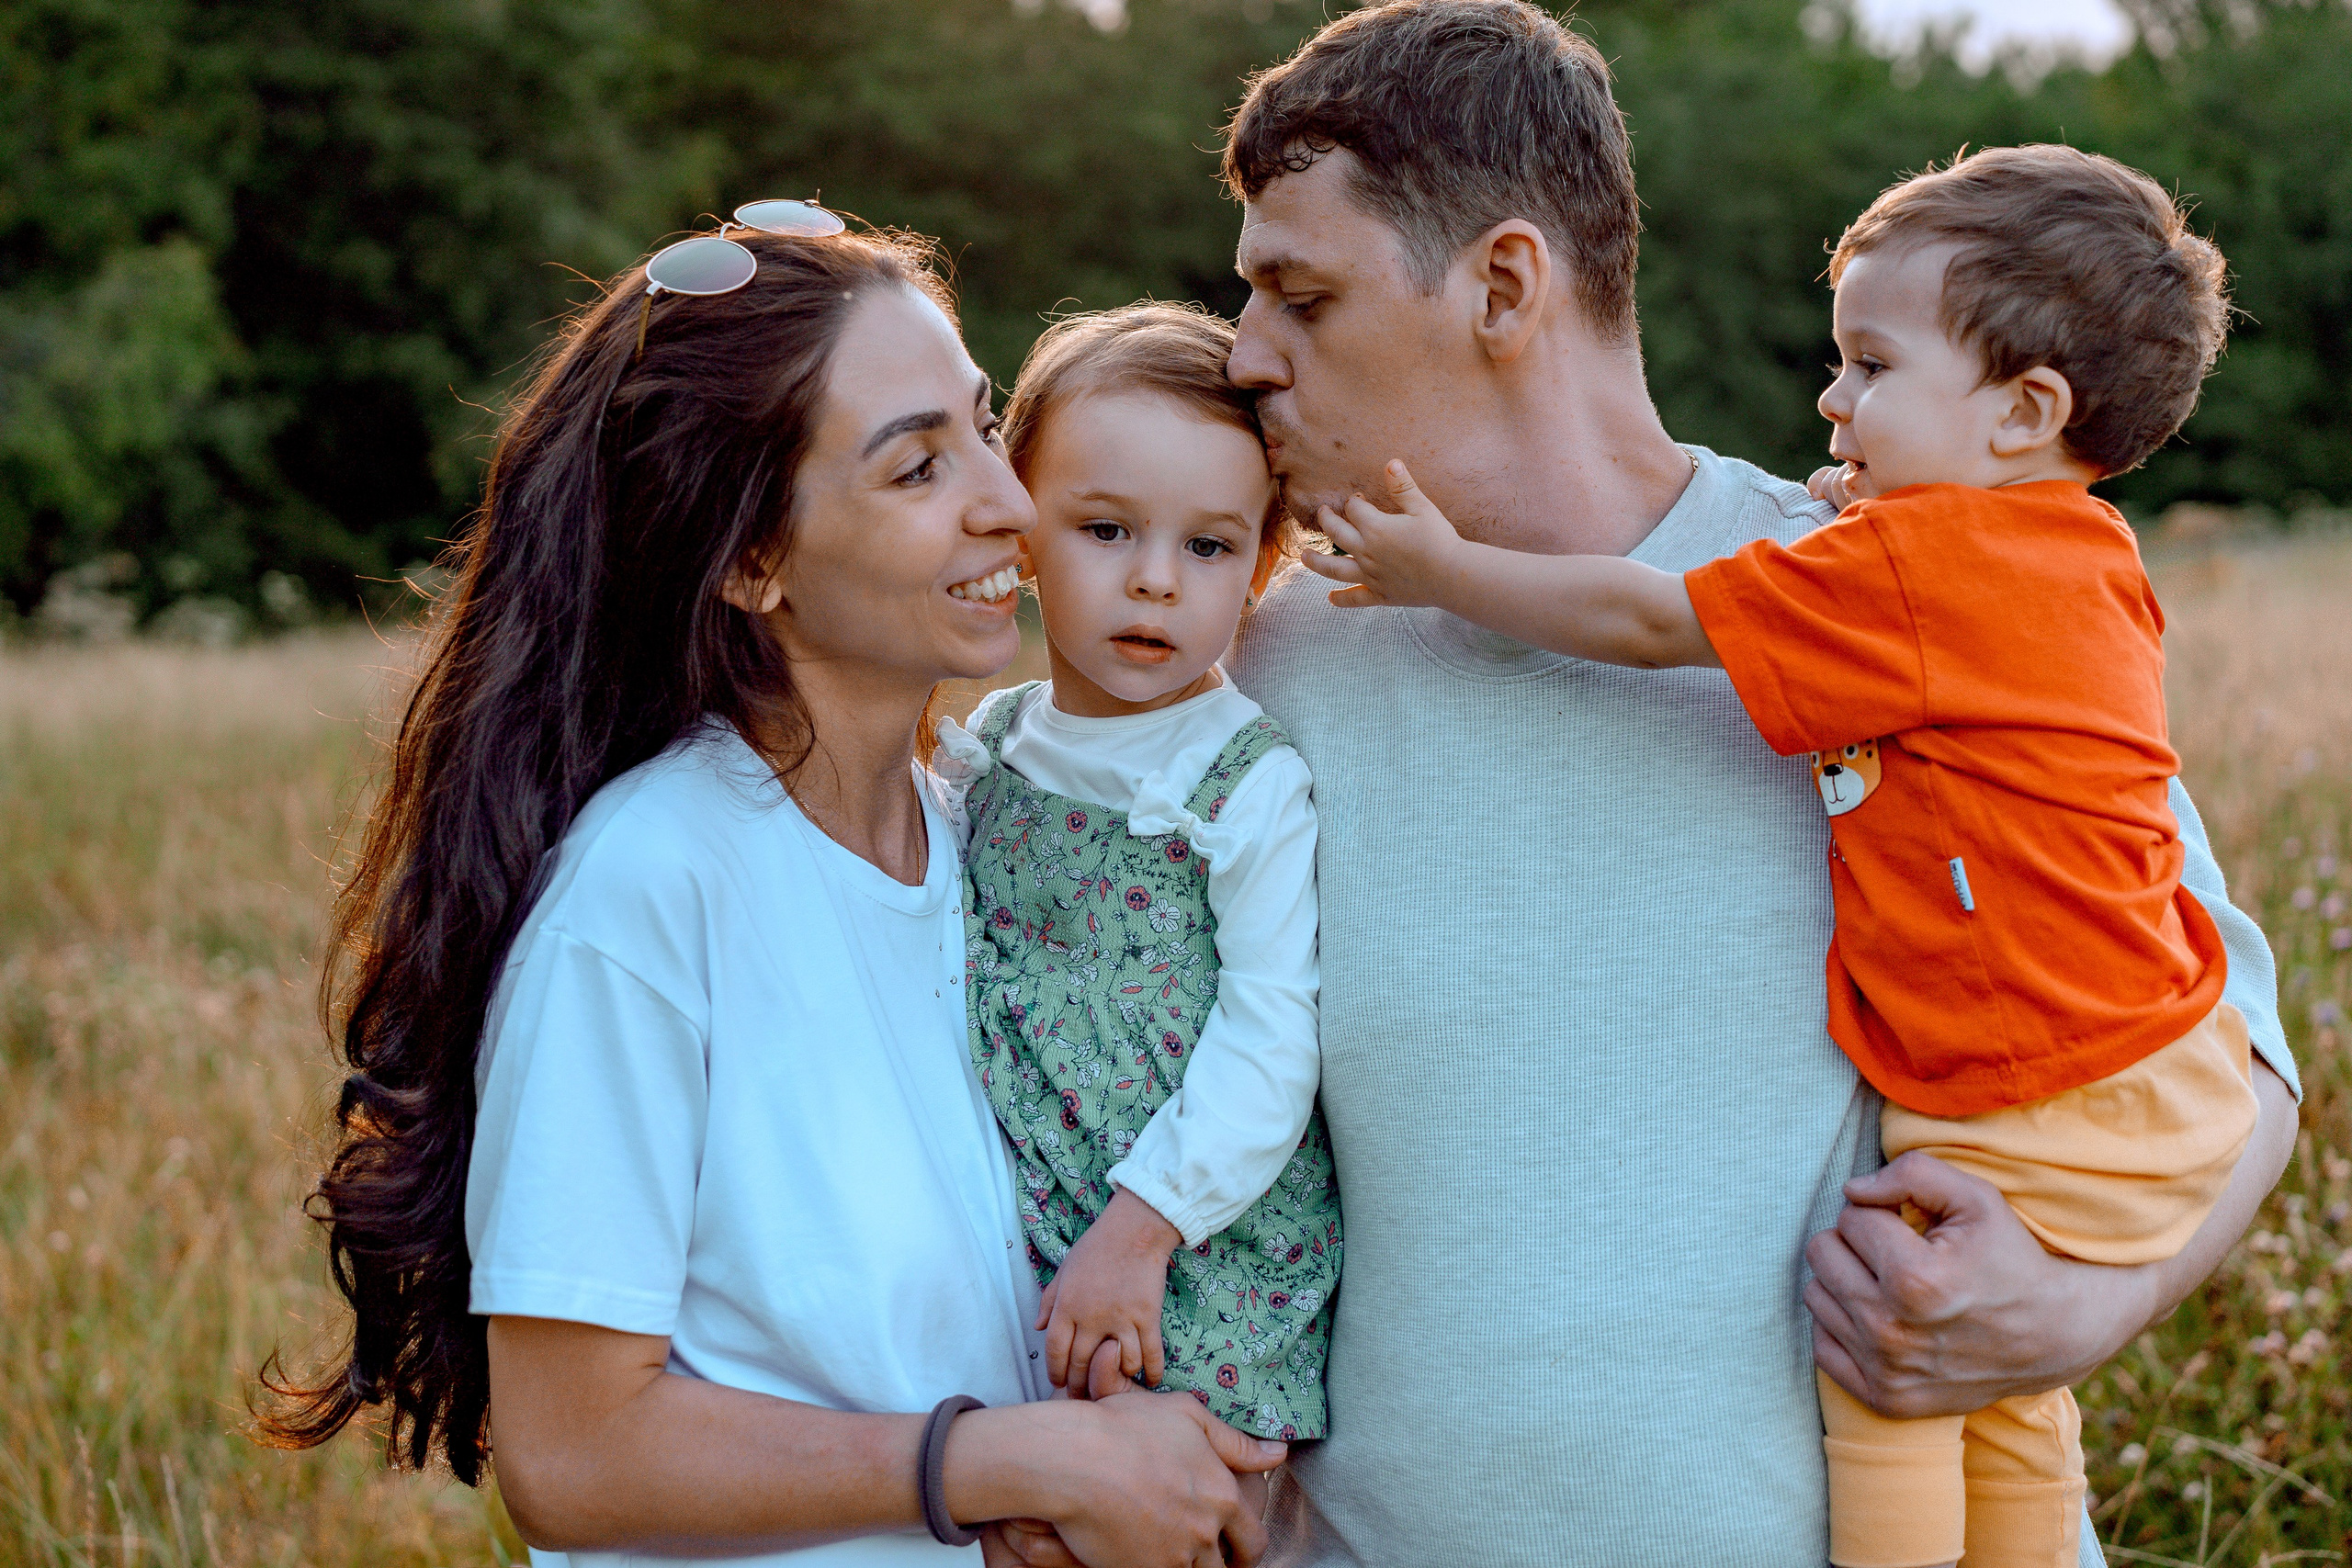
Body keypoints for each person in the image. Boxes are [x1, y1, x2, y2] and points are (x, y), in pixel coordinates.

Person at [1209, 5, 2298, 1565]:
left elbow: (2235, 1041)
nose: (1246, 354)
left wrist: (2085, 1301)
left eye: (1300, 295)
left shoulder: (1913, 592)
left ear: (1506, 285)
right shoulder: (1254, 679)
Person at [258, 218, 1283, 1568]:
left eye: (985, 425)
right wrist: (986, 1461)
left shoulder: (983, 823)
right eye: (920, 464)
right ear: (752, 561)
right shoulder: (649, 891)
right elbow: (570, 1455)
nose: (1011, 503)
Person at [944, 304, 1341, 1443]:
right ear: (1020, 528)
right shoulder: (996, 744)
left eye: (1208, 546)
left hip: (1185, 1251)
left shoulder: (1241, 780)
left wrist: (1144, 1226)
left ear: (1263, 563)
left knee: (1160, 1506)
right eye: (1106, 530)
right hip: (1022, 1222)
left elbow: (1273, 1039)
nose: (1156, 581)